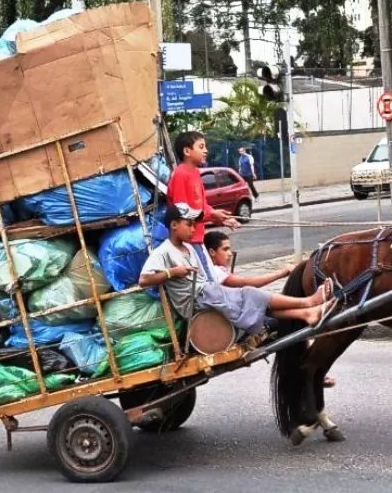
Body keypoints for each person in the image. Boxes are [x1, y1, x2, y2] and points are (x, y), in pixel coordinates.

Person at [139, 203, 333, 336]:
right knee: (250, 294)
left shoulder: (189, 247)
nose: (193, 229)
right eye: (189, 224)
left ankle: (306, 313)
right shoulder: (163, 251)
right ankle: (307, 302)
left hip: (206, 293)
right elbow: (144, 280)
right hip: (195, 300)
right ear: (173, 225)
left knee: (253, 305)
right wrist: (173, 272)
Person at [204, 230, 337, 388]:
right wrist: (282, 272)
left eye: (229, 249)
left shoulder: (220, 270)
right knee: (270, 308)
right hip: (234, 322)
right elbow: (248, 284)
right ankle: (309, 366)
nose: (230, 254)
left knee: (279, 313)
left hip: (239, 314)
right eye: (225, 249)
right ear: (212, 252)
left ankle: (308, 316)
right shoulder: (215, 272)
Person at [167, 131, 239, 280]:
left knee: (210, 281)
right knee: (209, 283)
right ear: (187, 151)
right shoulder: (181, 174)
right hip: (189, 241)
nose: (206, 150)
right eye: (201, 147)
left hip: (198, 238)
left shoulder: (195, 173)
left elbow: (202, 205)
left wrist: (220, 218)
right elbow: (182, 212)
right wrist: (212, 215)